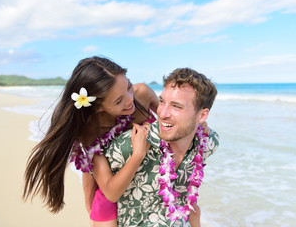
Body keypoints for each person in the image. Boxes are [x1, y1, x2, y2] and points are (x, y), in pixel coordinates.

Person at [23, 56, 159, 227]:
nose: (130, 99)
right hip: (112, 190)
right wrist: (138, 154)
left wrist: (199, 126)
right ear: (98, 107)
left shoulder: (143, 94)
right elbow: (106, 187)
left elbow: (174, 121)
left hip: (153, 186)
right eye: (118, 101)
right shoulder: (91, 131)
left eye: (129, 86)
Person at [104, 67, 219, 226]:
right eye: (162, 101)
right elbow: (101, 191)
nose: (162, 113)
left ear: (202, 115)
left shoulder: (208, 143)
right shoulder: (128, 145)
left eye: (176, 106)